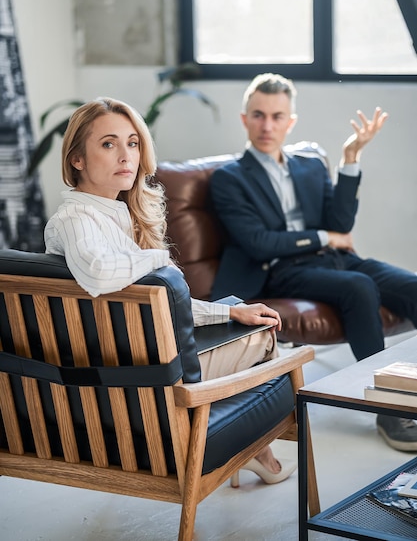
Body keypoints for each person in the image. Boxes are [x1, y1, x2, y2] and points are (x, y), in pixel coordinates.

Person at [44, 96, 296, 485]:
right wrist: (157, 258)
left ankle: (251, 453)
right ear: (77, 159)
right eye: (108, 144)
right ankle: (249, 451)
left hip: (135, 368)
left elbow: (157, 298)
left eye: (132, 143)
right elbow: (98, 274)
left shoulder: (110, 217)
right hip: (142, 383)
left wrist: (228, 313)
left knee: (246, 317)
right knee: (263, 338)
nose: (125, 155)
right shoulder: (77, 219)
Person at [209, 72, 417, 452]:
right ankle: (390, 408)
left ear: (291, 122)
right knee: (359, 286)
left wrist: (350, 157)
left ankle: (412, 389)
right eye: (258, 115)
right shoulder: (230, 178)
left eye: (276, 116)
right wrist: (322, 237)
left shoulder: (310, 165)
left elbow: (340, 224)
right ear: (244, 119)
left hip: (336, 259)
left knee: (412, 286)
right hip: (283, 270)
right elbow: (258, 243)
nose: (267, 125)